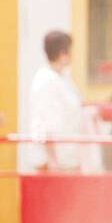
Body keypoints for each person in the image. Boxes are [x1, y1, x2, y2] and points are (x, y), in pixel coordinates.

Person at [28, 30, 83, 172]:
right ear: (63, 53)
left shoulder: (63, 79)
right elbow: (46, 123)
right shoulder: (46, 81)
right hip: (54, 161)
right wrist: (53, 161)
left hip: (68, 157)